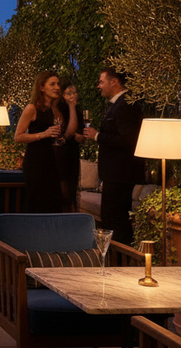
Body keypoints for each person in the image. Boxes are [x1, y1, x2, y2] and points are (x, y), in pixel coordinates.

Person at [82, 68, 144, 245]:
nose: (98, 86)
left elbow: (128, 140)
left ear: (114, 82)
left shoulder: (126, 105)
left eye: (101, 82)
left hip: (121, 174)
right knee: (111, 218)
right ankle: (114, 258)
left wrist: (97, 136)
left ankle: (120, 260)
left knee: (116, 219)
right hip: (114, 174)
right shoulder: (117, 104)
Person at [14, 71, 76, 213]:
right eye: (52, 84)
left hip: (54, 161)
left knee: (54, 202)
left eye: (58, 84)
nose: (57, 88)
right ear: (41, 87)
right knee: (37, 201)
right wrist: (44, 134)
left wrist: (59, 138)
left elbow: (68, 132)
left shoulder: (57, 109)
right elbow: (18, 137)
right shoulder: (32, 108)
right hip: (36, 162)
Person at [54, 82, 84, 212]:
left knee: (72, 188)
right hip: (61, 152)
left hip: (73, 152)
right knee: (62, 189)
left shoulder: (78, 109)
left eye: (74, 92)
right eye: (68, 93)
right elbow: (67, 132)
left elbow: (80, 132)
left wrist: (81, 137)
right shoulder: (58, 108)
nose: (72, 96)